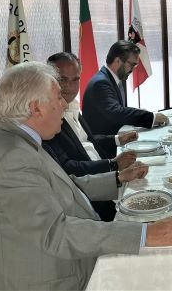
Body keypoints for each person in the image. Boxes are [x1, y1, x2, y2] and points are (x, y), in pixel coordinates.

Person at [0, 62, 172, 290]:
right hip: (55, 280)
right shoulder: (12, 159)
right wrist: (144, 234)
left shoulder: (18, 141)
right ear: (36, 108)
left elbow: (64, 186)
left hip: (62, 262)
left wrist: (117, 178)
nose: (65, 104)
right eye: (58, 97)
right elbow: (55, 234)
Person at [43, 51, 140, 221]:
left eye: (75, 80)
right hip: (92, 194)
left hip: (107, 177)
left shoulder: (72, 106)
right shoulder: (48, 120)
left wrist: (117, 139)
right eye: (62, 80)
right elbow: (67, 168)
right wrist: (112, 165)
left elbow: (87, 141)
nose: (69, 87)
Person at [83, 40, 168, 135]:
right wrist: (152, 118)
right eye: (132, 64)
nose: (133, 70)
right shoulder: (100, 83)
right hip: (104, 141)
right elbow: (117, 113)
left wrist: (142, 113)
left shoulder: (111, 79)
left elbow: (118, 109)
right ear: (117, 61)